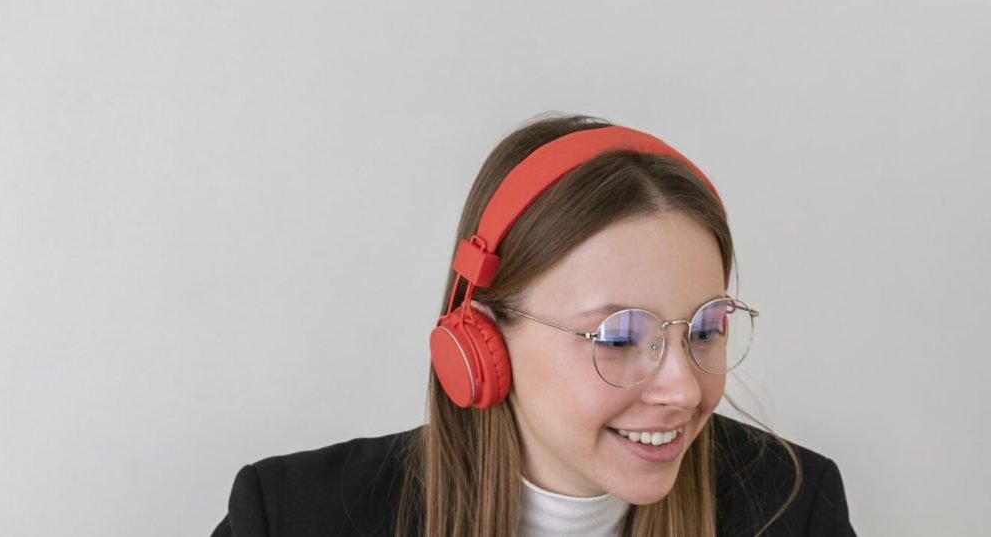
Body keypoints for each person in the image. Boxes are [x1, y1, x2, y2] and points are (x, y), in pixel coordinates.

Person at [210, 114, 855, 536]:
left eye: (706, 329)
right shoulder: (290, 518)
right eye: (621, 337)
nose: (685, 390)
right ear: (481, 342)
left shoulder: (793, 509)